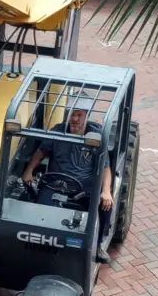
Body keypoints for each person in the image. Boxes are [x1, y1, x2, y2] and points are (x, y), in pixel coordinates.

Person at [22, 97, 113, 263]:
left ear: (86, 116)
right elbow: (41, 152)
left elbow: (105, 168)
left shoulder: (97, 137)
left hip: (84, 190)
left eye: (79, 115)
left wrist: (106, 192)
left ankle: (98, 246)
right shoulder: (58, 131)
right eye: (72, 114)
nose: (74, 119)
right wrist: (29, 171)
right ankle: (39, 247)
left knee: (105, 205)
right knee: (39, 210)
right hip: (55, 185)